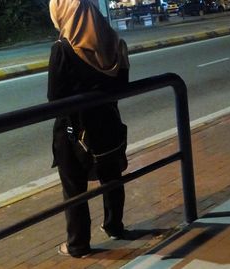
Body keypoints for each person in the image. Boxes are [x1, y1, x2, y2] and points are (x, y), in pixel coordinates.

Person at [48, 0, 130, 258]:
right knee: (112, 176)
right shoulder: (114, 42)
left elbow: (54, 98)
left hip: (74, 131)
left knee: (74, 189)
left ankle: (78, 244)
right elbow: (122, 84)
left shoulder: (62, 48)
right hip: (108, 124)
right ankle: (114, 226)